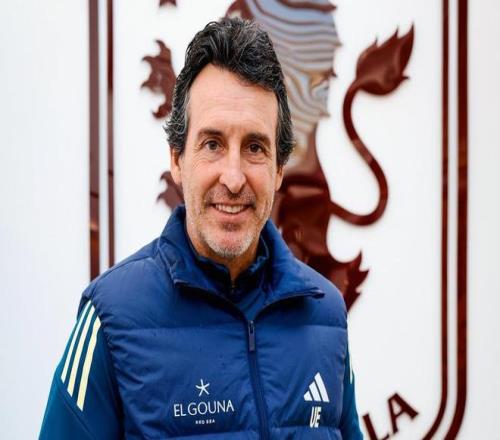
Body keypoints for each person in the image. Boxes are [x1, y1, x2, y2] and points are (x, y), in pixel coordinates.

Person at [40, 17, 363, 439]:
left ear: (280, 168)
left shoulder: (326, 316)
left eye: (255, 147)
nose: (234, 177)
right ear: (177, 158)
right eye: (213, 144)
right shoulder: (112, 317)